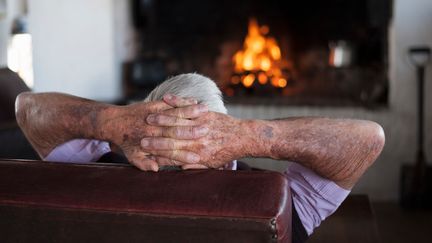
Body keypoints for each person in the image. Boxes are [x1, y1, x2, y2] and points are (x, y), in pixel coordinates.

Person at [15, 73, 385, 242]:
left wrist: (111, 122)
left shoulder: (88, 177)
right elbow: (368, 139)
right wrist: (247, 135)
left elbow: (28, 108)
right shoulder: (279, 204)